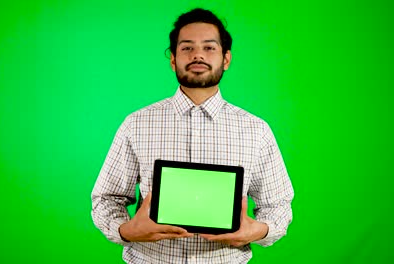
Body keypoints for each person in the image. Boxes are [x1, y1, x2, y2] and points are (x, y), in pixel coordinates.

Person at [91, 8, 294, 264]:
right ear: (173, 59)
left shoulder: (257, 130)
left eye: (209, 47)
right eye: (187, 48)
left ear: (227, 59)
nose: (198, 54)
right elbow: (106, 198)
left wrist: (257, 230)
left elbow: (278, 206)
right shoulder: (136, 124)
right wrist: (125, 231)